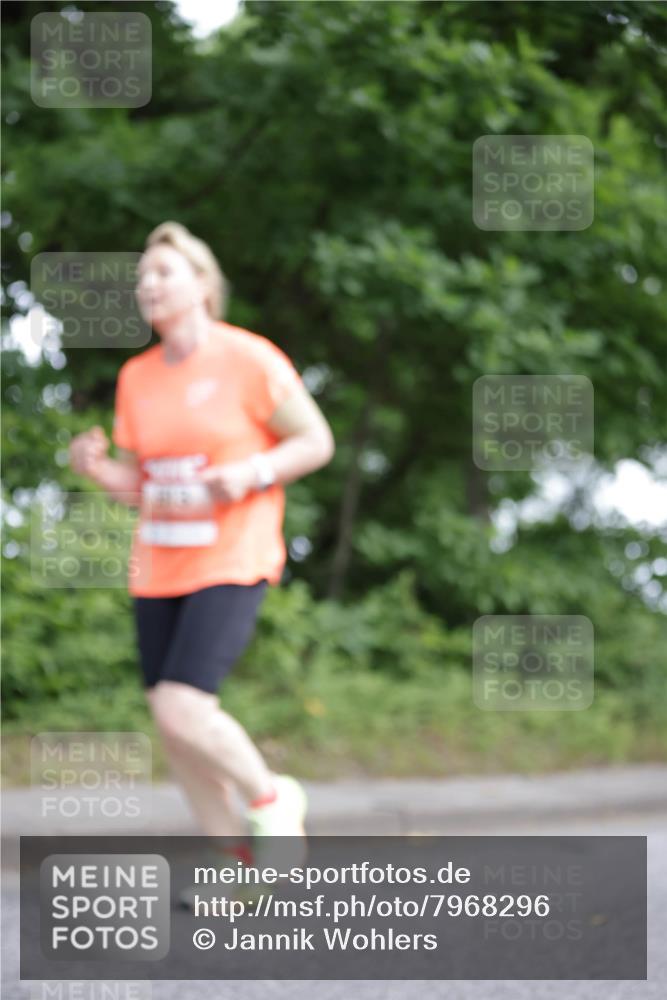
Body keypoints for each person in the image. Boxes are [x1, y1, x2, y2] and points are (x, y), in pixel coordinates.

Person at [69, 221, 335, 871]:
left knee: (185, 706)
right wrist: (101, 472)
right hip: (159, 560)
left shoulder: (249, 358)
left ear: (202, 283)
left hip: (232, 552)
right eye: (140, 278)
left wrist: (248, 473)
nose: (146, 286)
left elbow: (315, 441)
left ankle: (272, 799)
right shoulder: (137, 377)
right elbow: (148, 483)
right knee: (170, 723)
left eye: (162, 273)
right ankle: (235, 861)